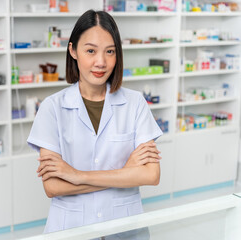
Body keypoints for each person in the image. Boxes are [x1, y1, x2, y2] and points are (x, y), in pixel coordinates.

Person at [27, 9, 163, 237]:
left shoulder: (135, 103)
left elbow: (151, 175)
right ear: (73, 51)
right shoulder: (52, 108)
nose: (101, 62)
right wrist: (125, 172)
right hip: (71, 228)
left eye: (110, 51)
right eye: (90, 51)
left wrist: (77, 175)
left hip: (125, 227)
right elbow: (53, 187)